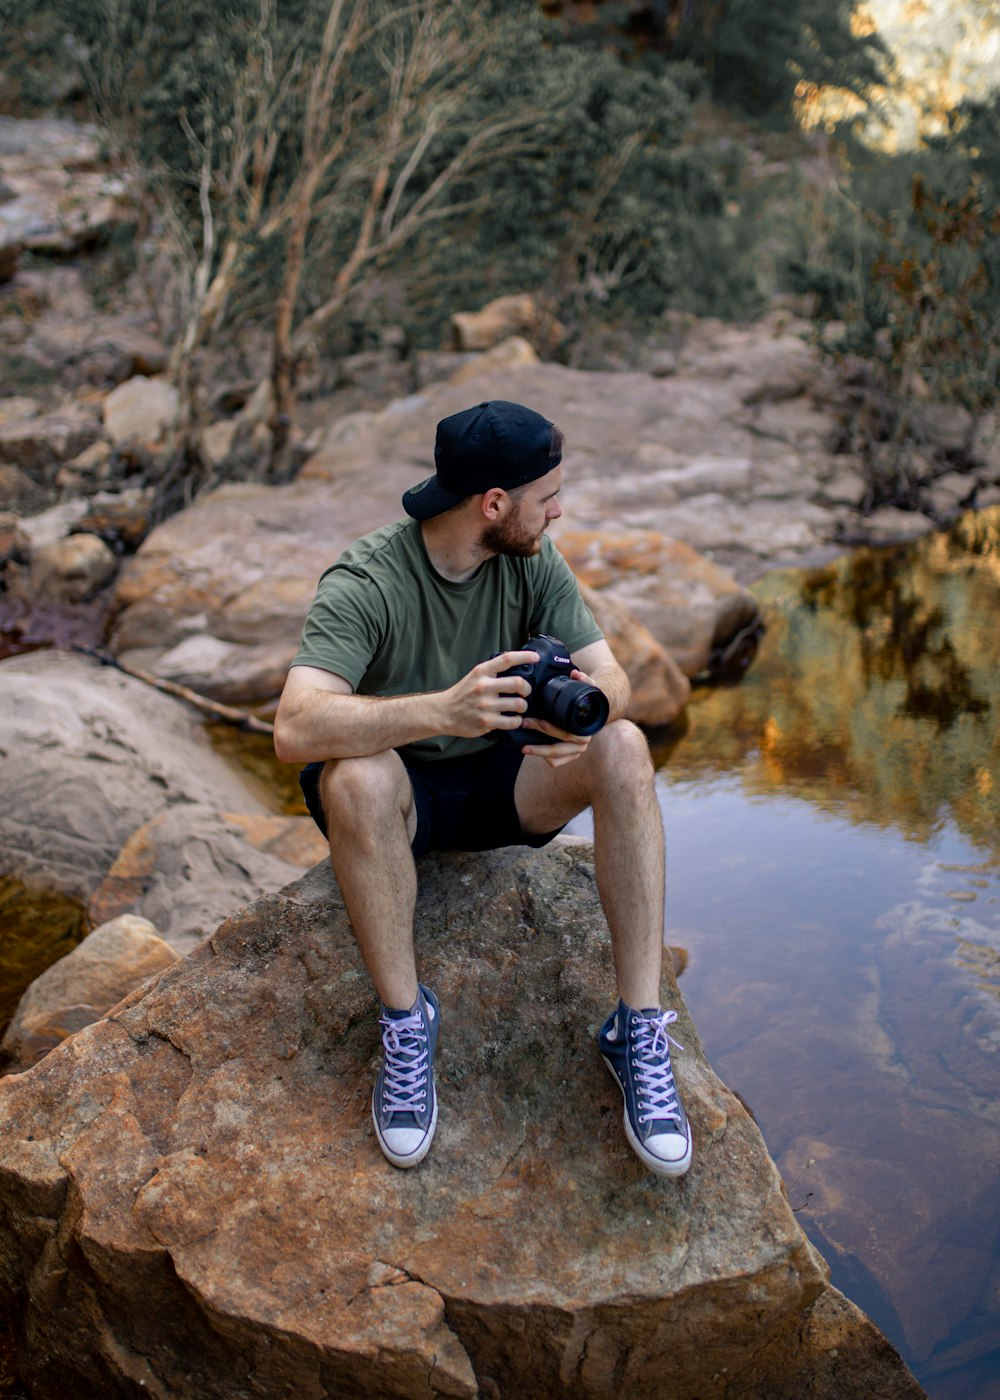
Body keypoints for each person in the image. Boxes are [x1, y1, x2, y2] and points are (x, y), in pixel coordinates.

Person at [274, 399, 691, 1177]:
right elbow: (293, 727)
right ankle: (406, 1023)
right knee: (356, 777)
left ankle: (636, 1027)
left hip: (506, 783)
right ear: (494, 504)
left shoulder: (532, 558)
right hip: (406, 806)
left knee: (626, 747)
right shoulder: (368, 577)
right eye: (548, 496)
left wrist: (580, 724)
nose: (559, 509)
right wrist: (440, 710)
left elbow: (615, 678)